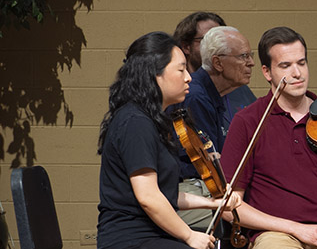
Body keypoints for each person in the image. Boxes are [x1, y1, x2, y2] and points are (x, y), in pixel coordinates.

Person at [220, 27, 317, 249]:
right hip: (275, 234)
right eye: (286, 66)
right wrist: (297, 229)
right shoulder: (248, 121)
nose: (297, 73)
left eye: (301, 63)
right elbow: (229, 207)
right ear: (267, 72)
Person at [97, 31, 240, 249]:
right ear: (155, 74)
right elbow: (148, 197)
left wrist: (212, 203)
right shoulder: (135, 122)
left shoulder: (153, 121)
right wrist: (189, 235)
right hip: (131, 240)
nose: (188, 77)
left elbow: (166, 193)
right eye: (181, 69)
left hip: (153, 234)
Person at [171, 16, 258, 231]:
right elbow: (209, 163)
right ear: (218, 63)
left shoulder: (211, 93)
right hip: (190, 189)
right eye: (243, 56)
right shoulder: (197, 96)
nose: (251, 63)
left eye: (250, 55)